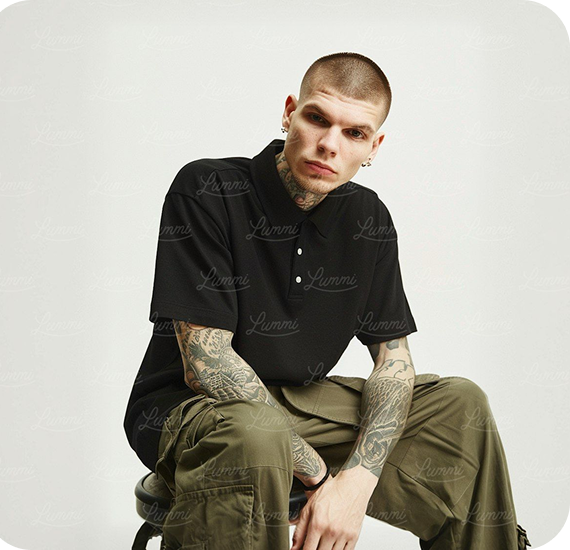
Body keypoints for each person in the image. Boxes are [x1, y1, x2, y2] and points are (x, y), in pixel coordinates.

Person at [123, 52, 530, 550]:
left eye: (354, 133)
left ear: (374, 146)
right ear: (289, 112)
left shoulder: (368, 218)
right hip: (194, 409)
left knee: (460, 404)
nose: (329, 145)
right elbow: (206, 364)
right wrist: (319, 477)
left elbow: (394, 360)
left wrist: (356, 483)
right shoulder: (208, 188)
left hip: (299, 403)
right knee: (254, 434)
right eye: (317, 118)